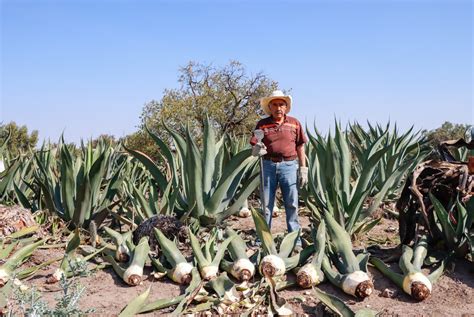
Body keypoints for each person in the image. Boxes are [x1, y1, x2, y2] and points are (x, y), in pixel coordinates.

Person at [250, 90, 308, 245]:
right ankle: (263, 237)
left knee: (291, 202)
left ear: (286, 106)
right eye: (274, 104)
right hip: (267, 165)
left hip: (289, 165)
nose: (278, 108)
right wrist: (257, 149)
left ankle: (294, 238)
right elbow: (255, 144)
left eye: (281, 104)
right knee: (266, 204)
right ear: (270, 107)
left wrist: (303, 169)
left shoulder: (294, 123)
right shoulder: (262, 124)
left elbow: (300, 146)